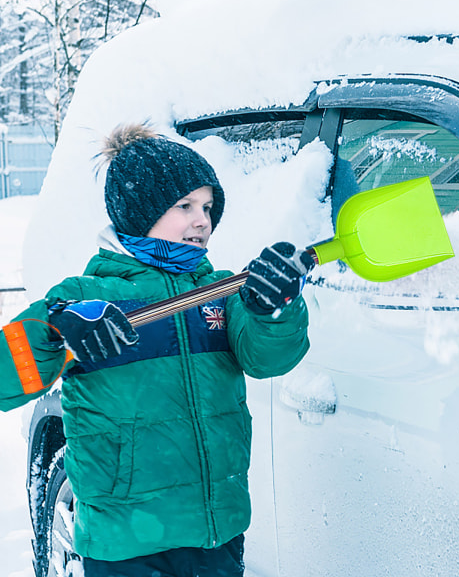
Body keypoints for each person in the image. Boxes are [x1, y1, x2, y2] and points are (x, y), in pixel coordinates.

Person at [0, 124, 314, 577]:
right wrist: (52, 331)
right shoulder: (87, 296)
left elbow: (269, 358)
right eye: (184, 205)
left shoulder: (221, 291)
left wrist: (273, 309)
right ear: (139, 212)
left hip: (216, 530)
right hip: (128, 543)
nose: (201, 219)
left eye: (207, 206)